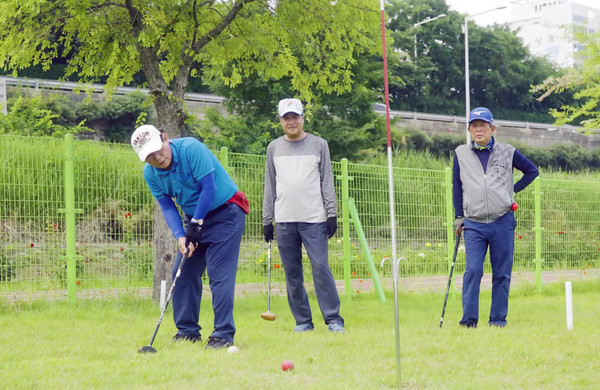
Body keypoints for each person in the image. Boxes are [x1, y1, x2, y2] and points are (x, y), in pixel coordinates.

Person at [131, 124, 249, 348]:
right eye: (149, 157)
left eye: (158, 149)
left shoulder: (191, 149)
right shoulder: (151, 173)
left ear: (165, 138)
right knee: (182, 272)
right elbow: (166, 206)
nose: (157, 158)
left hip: (226, 212)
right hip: (193, 220)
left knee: (219, 273)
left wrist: (196, 224)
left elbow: (209, 188)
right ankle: (187, 331)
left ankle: (222, 334)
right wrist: (180, 235)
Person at [262, 98, 345, 333]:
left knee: (320, 267)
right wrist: (267, 220)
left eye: (295, 117)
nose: (291, 121)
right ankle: (303, 321)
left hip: (314, 219)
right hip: (284, 219)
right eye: (286, 118)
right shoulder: (273, 148)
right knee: (292, 272)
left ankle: (333, 319)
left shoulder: (319, 145)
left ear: (302, 118)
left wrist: (332, 213)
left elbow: (327, 181)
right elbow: (270, 185)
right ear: (280, 121)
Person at [453, 107, 539, 328]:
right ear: (470, 130)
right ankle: (469, 321)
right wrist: (458, 216)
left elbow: (532, 171)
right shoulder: (461, 153)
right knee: (473, 271)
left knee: (501, 273)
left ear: (492, 128)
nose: (478, 129)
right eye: (474, 126)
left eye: (483, 125)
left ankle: (497, 320)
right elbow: (457, 186)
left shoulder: (508, 151)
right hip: (473, 222)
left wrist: (511, 191)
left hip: (502, 221)